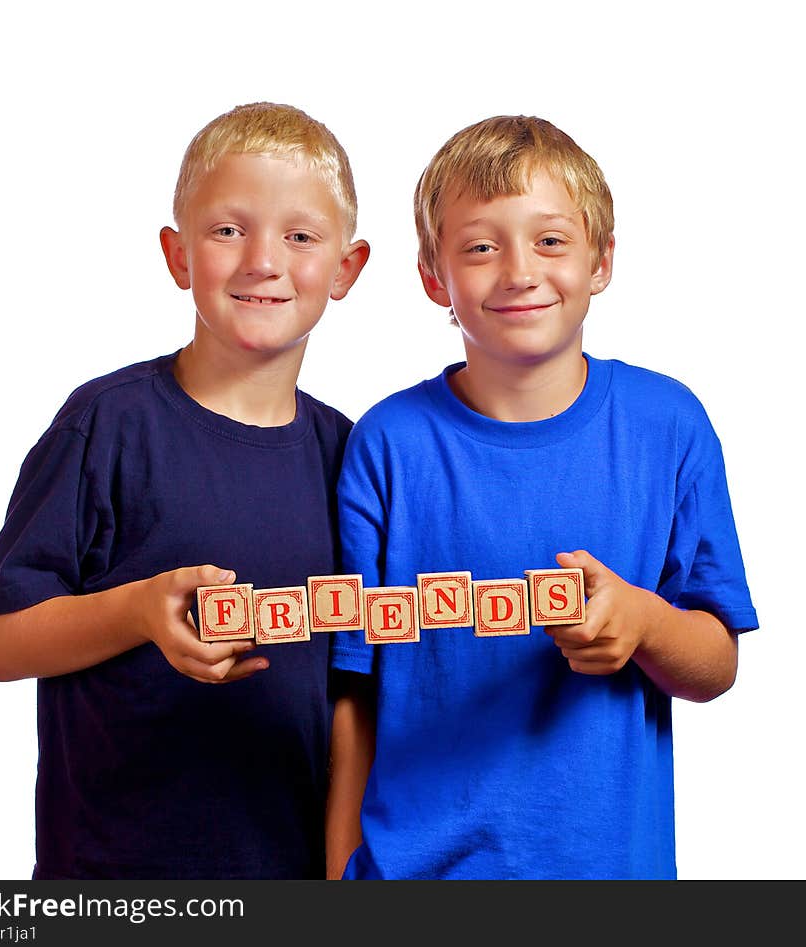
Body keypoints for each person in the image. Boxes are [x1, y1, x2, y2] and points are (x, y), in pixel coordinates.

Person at [324, 115, 757, 880]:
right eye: (481, 246)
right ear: (434, 277)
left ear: (601, 261)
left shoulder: (670, 425)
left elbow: (716, 664)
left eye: (550, 240)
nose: (519, 271)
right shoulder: (388, 443)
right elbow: (353, 691)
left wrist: (645, 620)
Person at [0, 102, 370, 880]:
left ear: (346, 268)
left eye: (300, 236)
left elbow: (358, 687)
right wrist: (137, 611)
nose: (263, 260)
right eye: (228, 230)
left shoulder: (352, 456)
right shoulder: (107, 425)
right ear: (178, 255)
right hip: (116, 879)